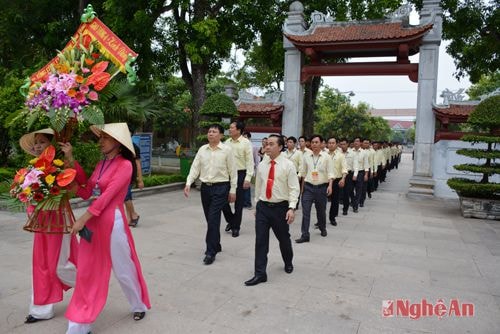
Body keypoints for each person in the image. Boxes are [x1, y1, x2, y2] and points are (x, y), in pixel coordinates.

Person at [67, 123, 151, 334]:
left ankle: (138, 304)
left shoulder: (125, 165)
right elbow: (87, 190)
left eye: (105, 137)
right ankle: (80, 324)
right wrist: (69, 161)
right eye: (101, 137)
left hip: (111, 221)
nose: (101, 141)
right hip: (94, 220)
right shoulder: (101, 164)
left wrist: (82, 219)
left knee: (123, 270)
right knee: (87, 271)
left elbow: (106, 198)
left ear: (118, 143)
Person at [19, 128, 86, 324]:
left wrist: (70, 156)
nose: (38, 145)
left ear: (51, 144)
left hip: (59, 218)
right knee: (40, 263)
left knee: (60, 263)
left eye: (42, 141)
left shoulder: (61, 164)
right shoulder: (33, 168)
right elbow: (28, 194)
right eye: (36, 142)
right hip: (41, 220)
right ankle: (40, 309)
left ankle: (88, 283)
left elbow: (81, 183)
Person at [244, 135, 300, 286]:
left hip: (280, 208)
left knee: (283, 239)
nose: (267, 146)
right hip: (263, 207)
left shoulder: (288, 165)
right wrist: (257, 205)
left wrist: (291, 208)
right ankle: (260, 273)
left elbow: (294, 189)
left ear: (280, 147)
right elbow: (259, 187)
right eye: (266, 144)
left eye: (271, 144)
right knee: (261, 241)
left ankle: (288, 261)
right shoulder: (262, 164)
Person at [184, 124, 237, 265]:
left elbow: (233, 171)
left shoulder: (227, 150)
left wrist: (233, 190)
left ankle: (210, 252)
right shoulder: (202, 150)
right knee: (210, 219)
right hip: (205, 189)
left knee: (213, 219)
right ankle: (216, 244)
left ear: (221, 135)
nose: (211, 134)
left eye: (214, 132)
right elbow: (195, 167)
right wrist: (189, 183)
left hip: (221, 188)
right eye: (209, 131)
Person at [296, 135, 333, 243]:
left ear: (321, 143)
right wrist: (301, 188)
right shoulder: (306, 156)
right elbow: (302, 173)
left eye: (317, 142)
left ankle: (322, 227)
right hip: (308, 187)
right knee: (305, 212)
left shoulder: (326, 157)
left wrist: (330, 186)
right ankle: (305, 235)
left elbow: (331, 173)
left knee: (321, 211)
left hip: (321, 188)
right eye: (312, 142)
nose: (314, 144)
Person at [222, 121, 254, 237]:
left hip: (241, 174)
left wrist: (248, 178)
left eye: (231, 128)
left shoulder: (246, 143)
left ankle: (236, 227)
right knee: (223, 200)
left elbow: (250, 161)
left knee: (238, 203)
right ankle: (231, 220)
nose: (229, 130)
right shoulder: (226, 143)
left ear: (239, 130)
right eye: (229, 128)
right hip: (227, 175)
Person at [327, 137, 347, 226]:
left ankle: (332, 218)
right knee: (321, 202)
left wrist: (343, 178)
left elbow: (344, 169)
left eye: (333, 143)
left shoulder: (341, 155)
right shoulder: (323, 154)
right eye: (329, 143)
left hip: (336, 180)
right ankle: (320, 219)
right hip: (324, 181)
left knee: (335, 201)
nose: (331, 144)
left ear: (336, 144)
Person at [125, 141, 144, 227]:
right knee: (125, 196)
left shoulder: (134, 147)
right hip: (121, 173)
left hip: (130, 174)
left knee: (126, 196)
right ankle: (129, 218)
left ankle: (134, 214)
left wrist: (140, 180)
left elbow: (138, 163)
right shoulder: (120, 145)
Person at [242, 131, 253, 209]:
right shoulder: (242, 144)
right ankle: (243, 202)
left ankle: (248, 203)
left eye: (246, 137)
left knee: (246, 187)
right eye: (244, 137)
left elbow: (253, 159)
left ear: (249, 138)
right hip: (241, 168)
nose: (244, 138)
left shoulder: (250, 145)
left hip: (247, 169)